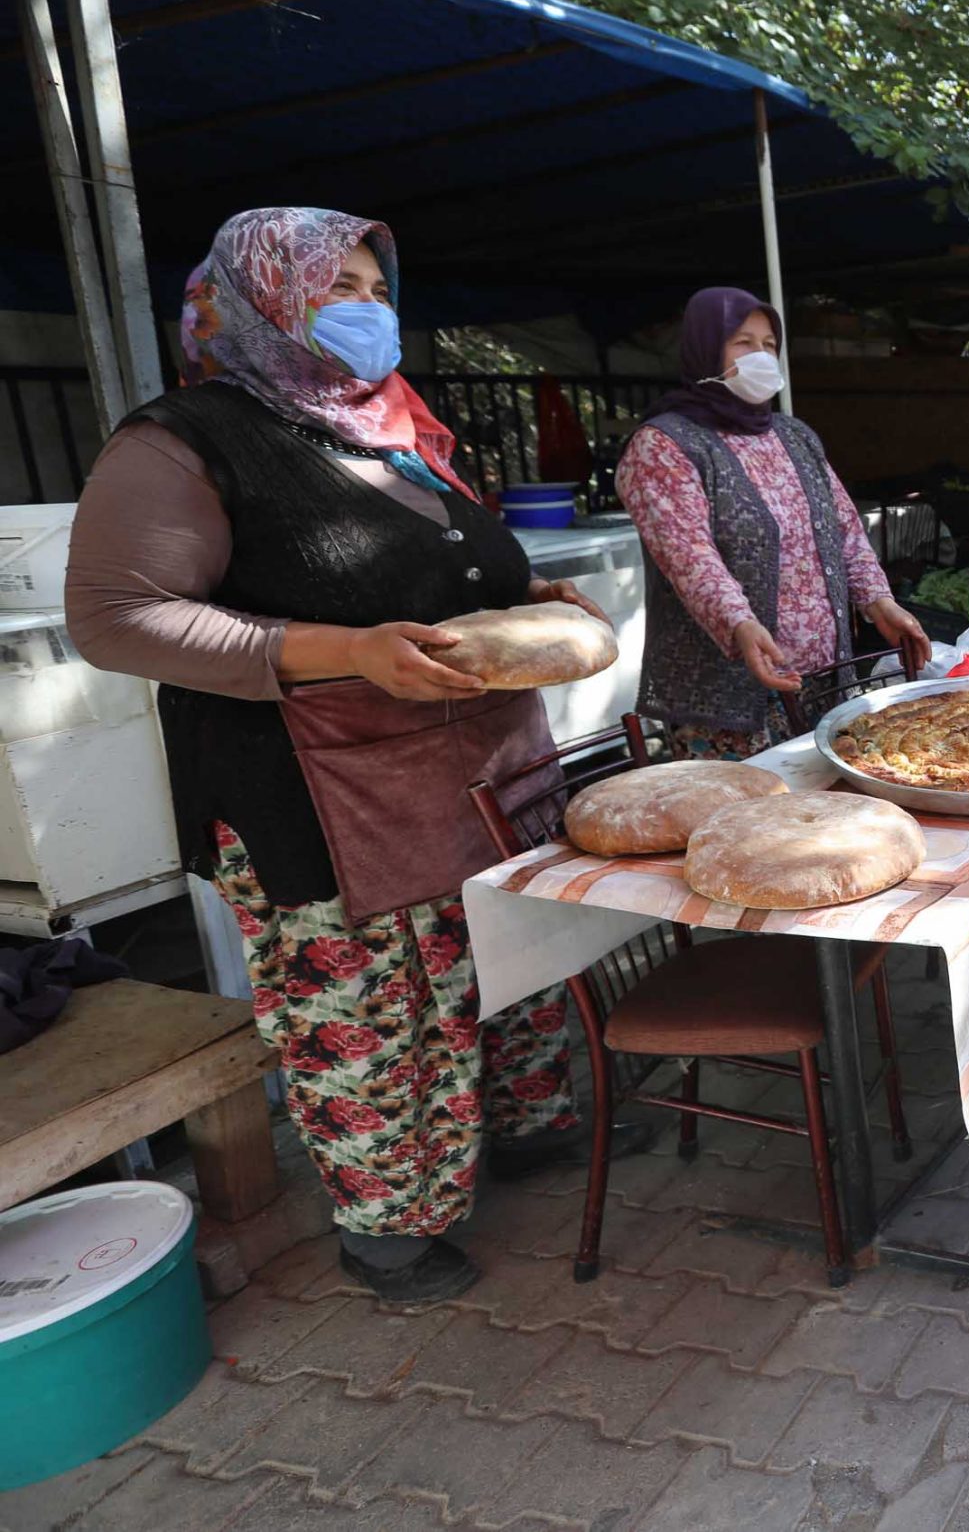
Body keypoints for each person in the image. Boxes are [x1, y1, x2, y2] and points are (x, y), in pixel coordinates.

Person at [65, 207, 632, 1306]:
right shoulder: (188, 439)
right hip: (317, 788)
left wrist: (520, 597)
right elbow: (118, 617)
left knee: (495, 959)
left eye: (377, 287)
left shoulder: (389, 422)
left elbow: (423, 568)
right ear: (261, 299)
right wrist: (343, 651)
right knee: (376, 1010)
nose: (368, 309)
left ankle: (519, 1132)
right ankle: (391, 1232)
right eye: (339, 288)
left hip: (468, 763)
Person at [617, 288, 929, 760]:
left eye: (768, 345)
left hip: (821, 679)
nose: (760, 356)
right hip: (728, 692)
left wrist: (878, 602)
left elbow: (843, 528)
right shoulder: (664, 445)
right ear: (706, 347)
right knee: (744, 822)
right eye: (743, 342)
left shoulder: (793, 435)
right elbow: (689, 557)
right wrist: (740, 625)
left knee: (823, 820)